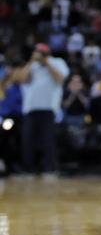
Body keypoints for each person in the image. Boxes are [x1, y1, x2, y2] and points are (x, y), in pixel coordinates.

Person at [18, 43, 69, 175]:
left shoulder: (57, 62)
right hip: (30, 107)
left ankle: (50, 168)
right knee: (27, 139)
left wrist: (46, 63)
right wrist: (31, 61)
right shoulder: (32, 65)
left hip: (48, 107)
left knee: (48, 140)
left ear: (47, 53)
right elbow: (22, 79)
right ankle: (28, 169)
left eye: (41, 53)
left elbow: (60, 79)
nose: (39, 55)